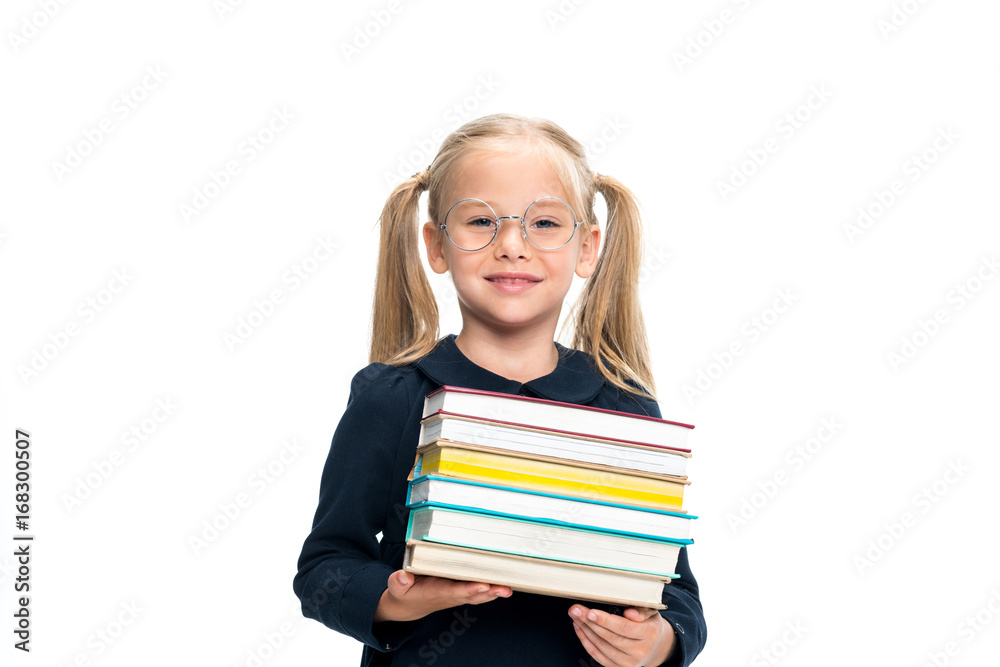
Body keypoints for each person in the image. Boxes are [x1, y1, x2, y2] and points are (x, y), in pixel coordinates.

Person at [293, 113, 707, 666]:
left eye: (544, 224)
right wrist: (397, 598)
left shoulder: (624, 406)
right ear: (437, 247)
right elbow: (325, 568)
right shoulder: (391, 398)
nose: (512, 245)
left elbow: (675, 589)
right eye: (480, 222)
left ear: (587, 248)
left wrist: (659, 642)